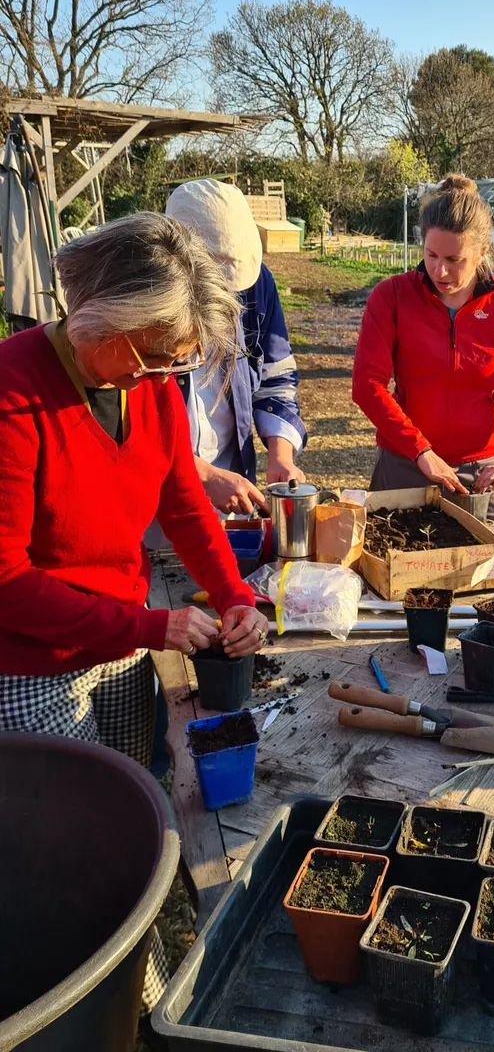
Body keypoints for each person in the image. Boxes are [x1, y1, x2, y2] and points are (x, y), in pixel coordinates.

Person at [0, 212, 271, 1007]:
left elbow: (183, 500)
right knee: (78, 847)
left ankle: (148, 956)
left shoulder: (143, 384)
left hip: (116, 644)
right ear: (101, 321)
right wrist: (148, 626)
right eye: (155, 355)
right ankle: (135, 1007)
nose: (165, 373)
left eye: (174, 362)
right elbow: (7, 579)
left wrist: (234, 592)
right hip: (31, 667)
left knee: (141, 813)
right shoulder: (13, 394)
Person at [351, 175, 494, 531]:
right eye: (431, 255)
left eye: (455, 259)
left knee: (484, 578)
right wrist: (420, 451)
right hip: (405, 464)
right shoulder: (391, 296)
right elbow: (367, 385)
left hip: (481, 473)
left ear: (480, 254)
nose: (439, 271)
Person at [164, 180, 306, 514]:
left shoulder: (259, 286)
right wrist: (200, 475)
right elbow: (126, 431)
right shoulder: (139, 306)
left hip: (228, 484)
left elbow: (275, 378)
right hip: (151, 501)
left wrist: (280, 455)